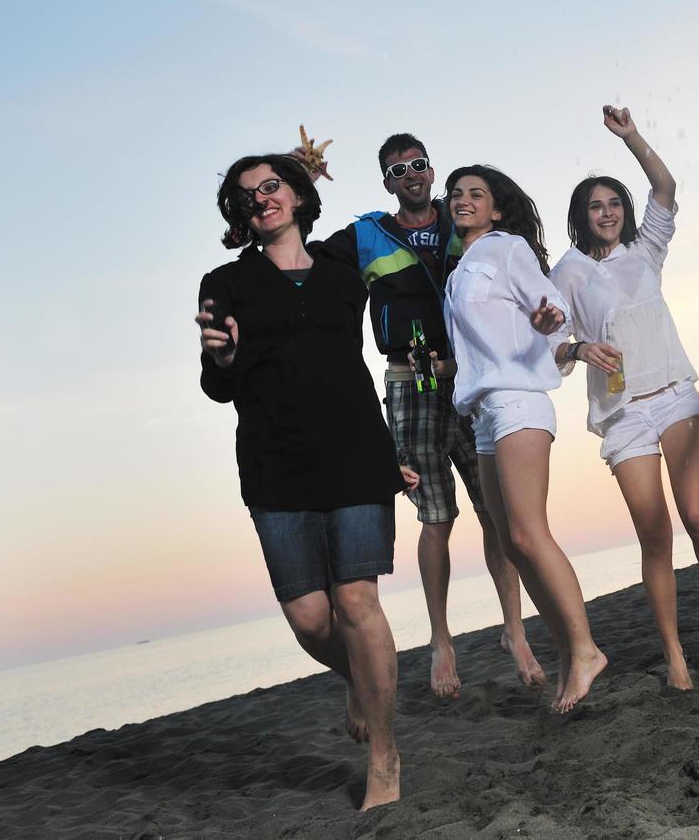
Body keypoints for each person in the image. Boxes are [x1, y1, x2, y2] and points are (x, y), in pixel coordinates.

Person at [196, 153, 407, 810]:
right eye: (248, 195)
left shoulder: (345, 275)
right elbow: (218, 385)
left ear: (295, 195)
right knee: (311, 618)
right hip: (275, 464)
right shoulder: (224, 283)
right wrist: (222, 356)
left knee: (356, 605)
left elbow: (367, 348)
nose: (263, 199)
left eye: (272, 185)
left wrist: (395, 446)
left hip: (355, 455)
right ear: (240, 213)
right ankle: (359, 680)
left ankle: (383, 752)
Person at [315, 134, 544, 699]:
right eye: (398, 170)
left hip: (469, 374)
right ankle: (442, 640)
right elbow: (305, 261)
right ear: (387, 181)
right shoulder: (367, 234)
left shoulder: (464, 218)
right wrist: (303, 184)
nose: (410, 174)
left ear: (430, 170)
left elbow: (518, 265)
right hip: (408, 381)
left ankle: (514, 631)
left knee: (495, 512)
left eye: (418, 164)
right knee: (436, 518)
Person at [550, 105, 699, 690]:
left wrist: (631, 136)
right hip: (622, 415)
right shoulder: (567, 271)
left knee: (695, 513)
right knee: (654, 533)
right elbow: (549, 346)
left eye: (614, 203)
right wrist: (579, 348)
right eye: (596, 206)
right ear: (581, 218)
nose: (607, 213)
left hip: (673, 397)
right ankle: (675, 656)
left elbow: (666, 185)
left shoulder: (646, 251)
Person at [436, 164, 607, 712]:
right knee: (510, 542)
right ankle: (567, 651)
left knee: (531, 535)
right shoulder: (458, 270)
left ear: (497, 208)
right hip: (484, 410)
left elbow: (551, 312)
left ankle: (586, 650)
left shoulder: (507, 249)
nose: (463, 201)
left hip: (518, 401)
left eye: (475, 194)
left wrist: (549, 320)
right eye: (456, 194)